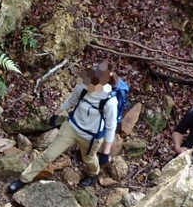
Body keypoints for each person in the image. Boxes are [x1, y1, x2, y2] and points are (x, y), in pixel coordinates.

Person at [7, 61, 119, 194]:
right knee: (48, 155)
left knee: (88, 158)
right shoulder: (83, 85)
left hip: (91, 136)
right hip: (71, 126)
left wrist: (106, 153)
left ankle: (93, 174)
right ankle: (24, 179)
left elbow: (111, 126)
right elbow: (71, 100)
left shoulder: (110, 101)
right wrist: (56, 113)